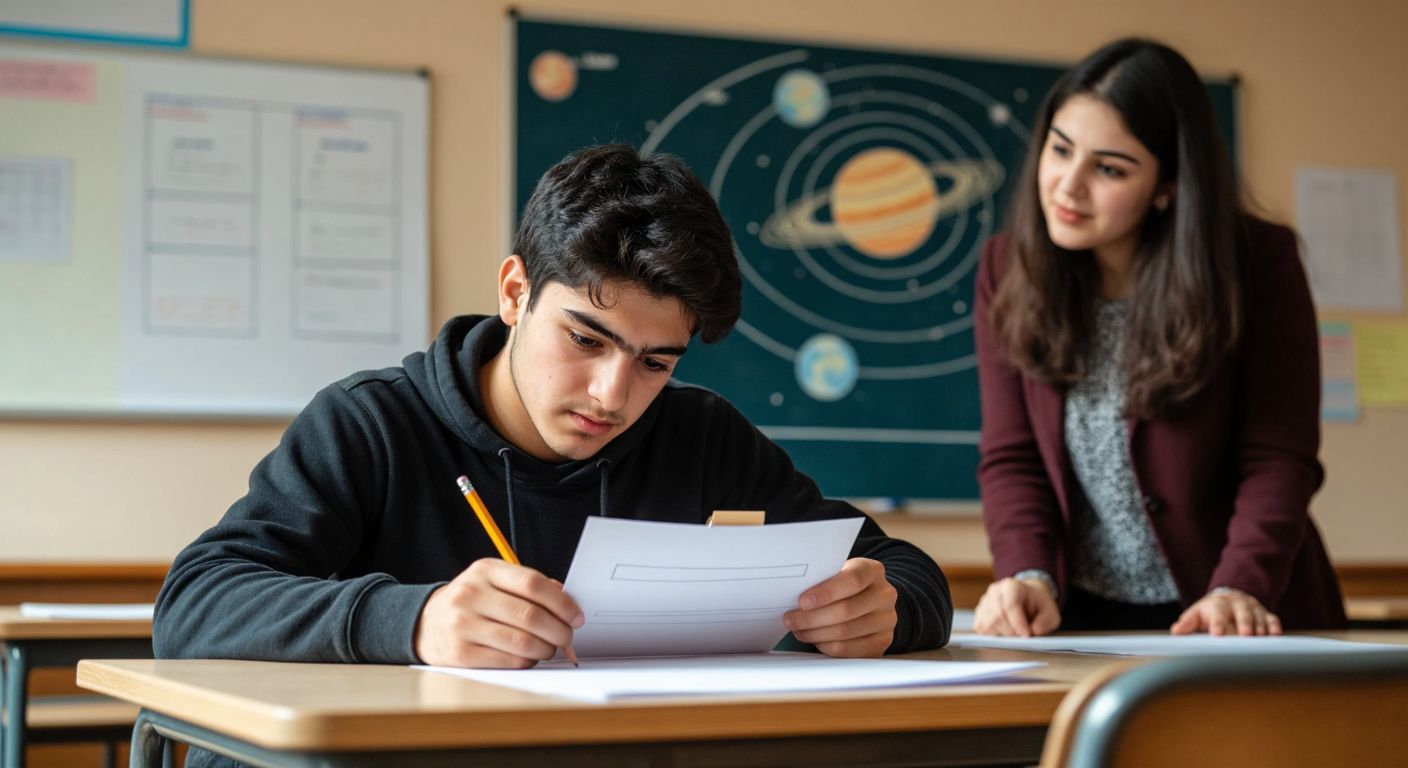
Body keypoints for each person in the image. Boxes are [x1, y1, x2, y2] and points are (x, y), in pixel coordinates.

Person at [155, 144, 952, 678]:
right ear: (513, 293)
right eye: (586, 338)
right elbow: (194, 603)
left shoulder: (701, 437)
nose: (613, 394)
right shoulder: (371, 425)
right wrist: (414, 620)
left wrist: (888, 610)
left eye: (655, 362)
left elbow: (906, 572)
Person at [972, 39, 1345, 638]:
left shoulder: (1258, 266)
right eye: (1060, 150)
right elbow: (1012, 457)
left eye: (1110, 168)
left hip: (1238, 608)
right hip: (1080, 617)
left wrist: (1238, 586)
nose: (1068, 186)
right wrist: (1028, 572)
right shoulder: (1005, 268)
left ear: (1168, 185)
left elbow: (1278, 458)